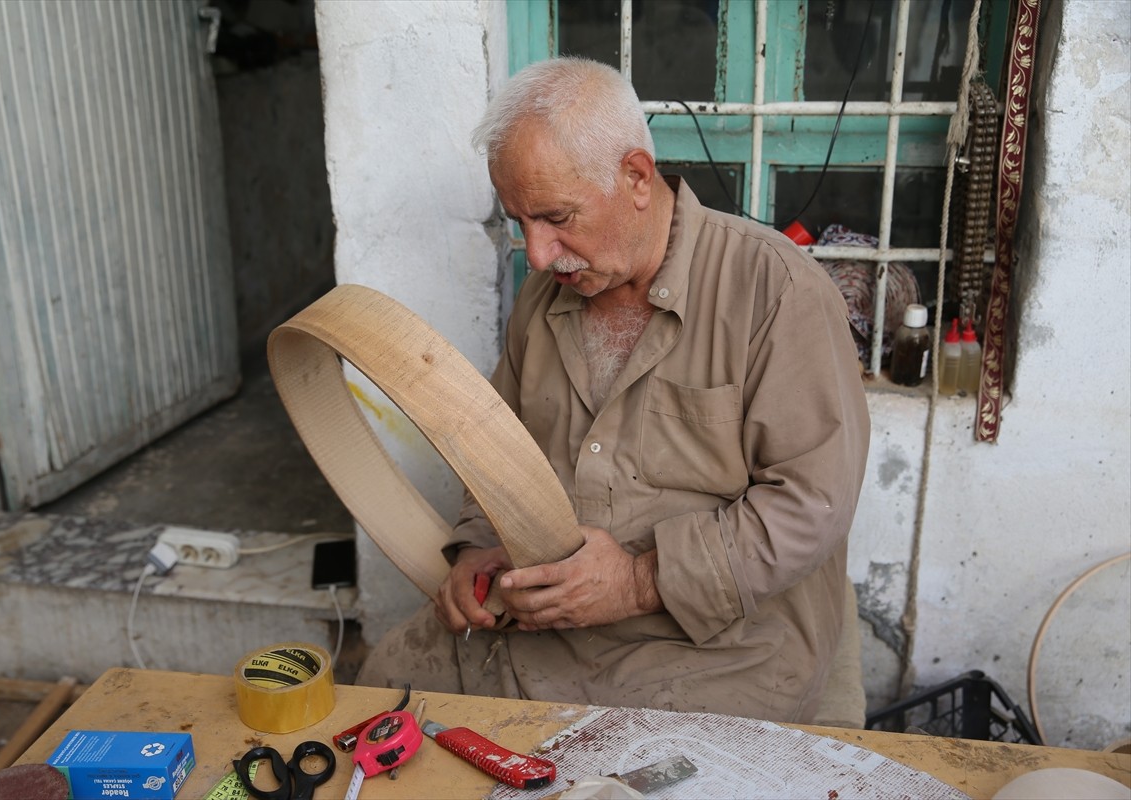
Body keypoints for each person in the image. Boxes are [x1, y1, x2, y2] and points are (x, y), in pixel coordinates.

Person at [356, 57, 870, 724]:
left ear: (635, 177)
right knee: (380, 683)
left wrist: (637, 581)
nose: (538, 254)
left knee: (612, 767)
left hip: (718, 648)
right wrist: (476, 551)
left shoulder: (776, 289)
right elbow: (496, 455)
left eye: (556, 216)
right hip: (543, 628)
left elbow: (812, 504)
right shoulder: (544, 299)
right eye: (520, 222)